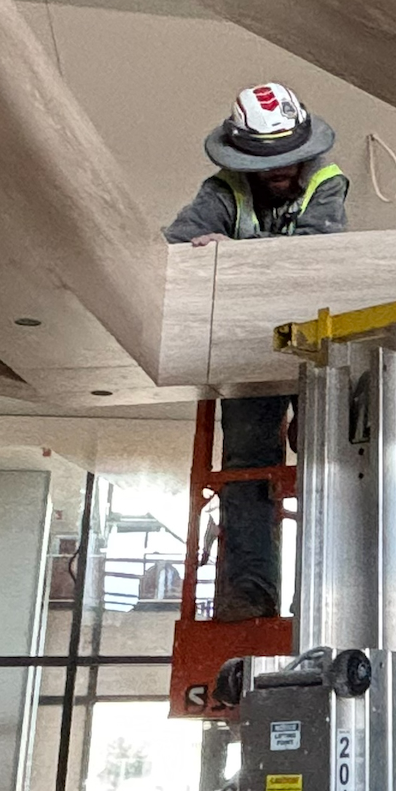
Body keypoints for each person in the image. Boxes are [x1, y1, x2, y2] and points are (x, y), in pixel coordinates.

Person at [164, 83, 348, 620]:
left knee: (330, 459)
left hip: (319, 348)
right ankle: (249, 590)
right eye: (269, 164)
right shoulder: (222, 191)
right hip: (249, 350)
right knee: (247, 466)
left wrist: (236, 254)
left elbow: (319, 251)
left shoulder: (327, 184)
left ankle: (323, 589)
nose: (281, 172)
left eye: (290, 160)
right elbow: (178, 247)